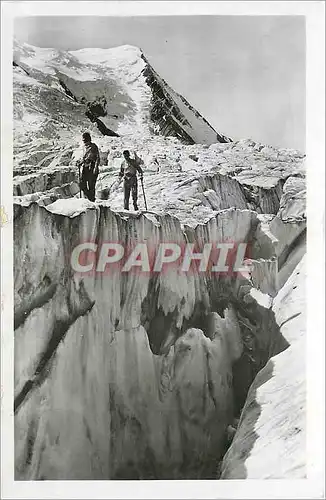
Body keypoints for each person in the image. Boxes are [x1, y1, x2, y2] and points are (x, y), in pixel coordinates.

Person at [78, 132, 100, 202]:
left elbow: (97, 158)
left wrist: (96, 168)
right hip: (85, 167)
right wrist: (80, 163)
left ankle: (91, 201)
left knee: (91, 186)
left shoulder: (93, 147)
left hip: (92, 167)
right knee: (82, 184)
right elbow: (85, 158)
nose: (84, 142)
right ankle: (90, 198)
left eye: (85, 140)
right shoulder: (84, 148)